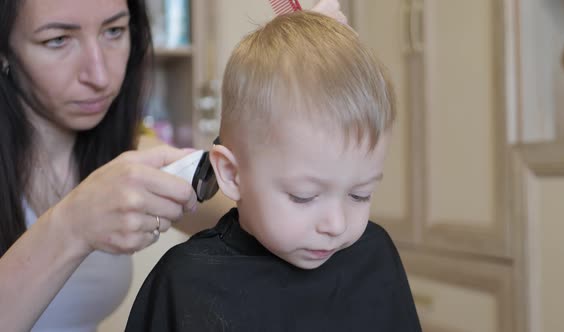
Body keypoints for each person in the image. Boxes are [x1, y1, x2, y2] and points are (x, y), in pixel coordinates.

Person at [0, 0, 348, 330]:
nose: (100, 75)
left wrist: (286, 80)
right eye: (58, 40)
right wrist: (71, 227)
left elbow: (275, 219)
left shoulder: (131, 153)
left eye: (114, 31)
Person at [126, 11, 422, 332]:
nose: (336, 225)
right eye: (304, 196)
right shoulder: (186, 281)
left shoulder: (373, 256)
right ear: (230, 173)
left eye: (360, 194)